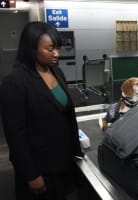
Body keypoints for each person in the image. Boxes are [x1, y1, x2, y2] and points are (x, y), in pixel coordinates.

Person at [0, 22, 84, 200]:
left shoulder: (56, 72)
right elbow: (15, 135)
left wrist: (76, 150)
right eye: (50, 49)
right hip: (40, 168)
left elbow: (66, 115)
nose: (56, 54)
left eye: (57, 48)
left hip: (64, 161)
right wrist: (31, 174)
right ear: (31, 49)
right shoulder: (15, 82)